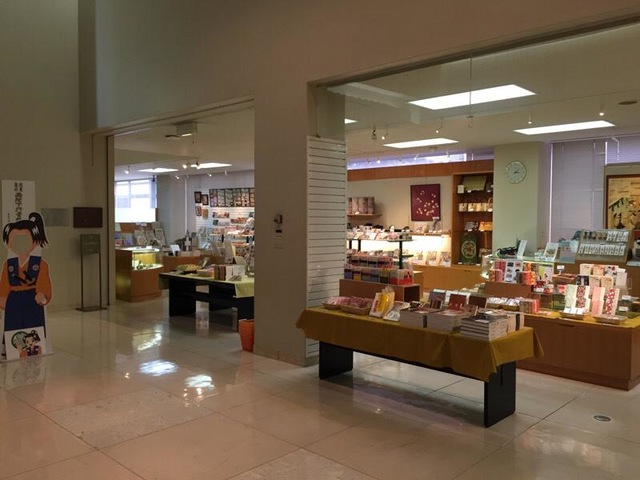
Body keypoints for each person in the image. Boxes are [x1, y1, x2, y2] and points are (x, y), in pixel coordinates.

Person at [0, 212, 52, 356]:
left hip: (32, 298)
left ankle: (34, 349)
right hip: (14, 298)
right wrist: (3, 296)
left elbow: (43, 280)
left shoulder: (40, 264)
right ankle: (11, 350)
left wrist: (41, 293)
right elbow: (4, 283)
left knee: (33, 324)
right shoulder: (9, 264)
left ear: (35, 241)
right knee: (13, 323)